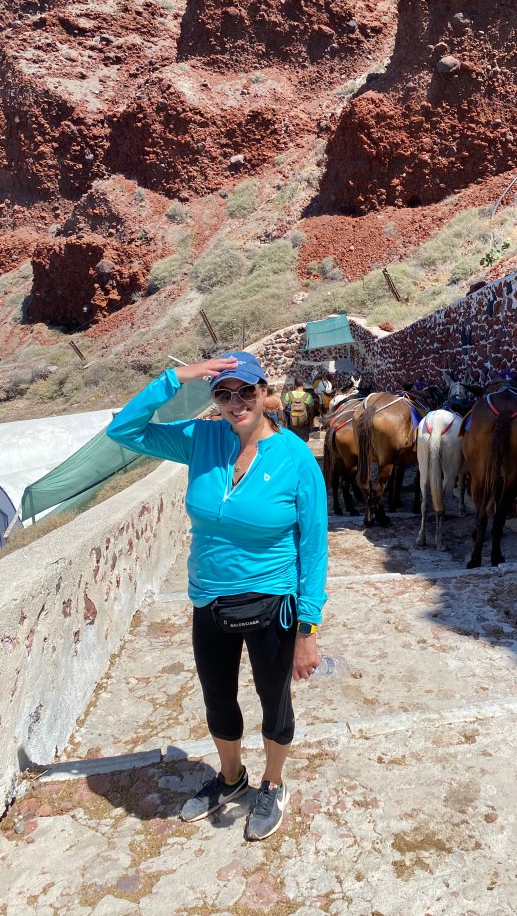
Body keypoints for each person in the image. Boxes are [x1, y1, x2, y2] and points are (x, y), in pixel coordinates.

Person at [107, 352, 328, 841]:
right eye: (223, 394)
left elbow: (314, 549)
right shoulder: (201, 439)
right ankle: (231, 779)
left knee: (275, 701)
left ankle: (273, 784)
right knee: (218, 699)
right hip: (209, 600)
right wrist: (175, 378)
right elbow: (123, 430)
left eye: (245, 391)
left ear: (263, 392)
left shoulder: (295, 458)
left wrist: (308, 630)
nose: (235, 402)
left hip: (274, 604)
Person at [282, 377, 315, 442]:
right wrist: (311, 424)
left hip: (291, 424)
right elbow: (311, 412)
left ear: (294, 384)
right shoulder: (308, 396)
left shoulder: (288, 394)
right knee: (303, 443)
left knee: (292, 442)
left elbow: (284, 409)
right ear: (303, 384)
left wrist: (284, 422)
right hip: (304, 425)